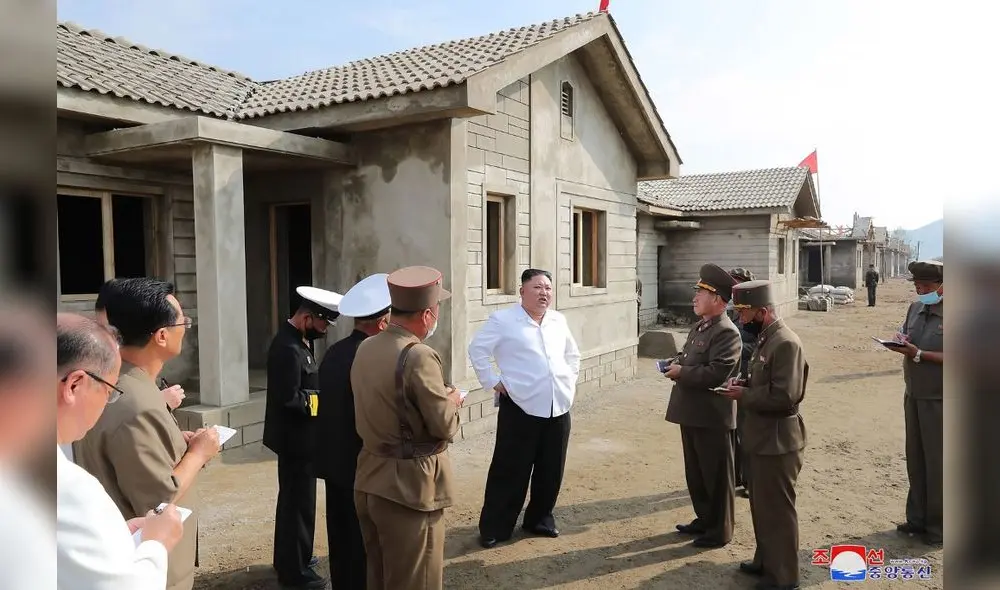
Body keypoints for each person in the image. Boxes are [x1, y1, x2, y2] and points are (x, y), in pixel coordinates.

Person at [73, 277, 220, 590]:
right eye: (183, 321)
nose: (186, 326)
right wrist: (199, 453)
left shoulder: (121, 381)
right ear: (162, 336)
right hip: (150, 565)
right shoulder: (137, 402)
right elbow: (158, 499)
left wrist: (176, 443)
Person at [351, 265, 463, 590]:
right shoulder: (419, 355)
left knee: (380, 577)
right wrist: (452, 401)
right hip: (410, 488)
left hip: (371, 476)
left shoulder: (366, 346)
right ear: (427, 315)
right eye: (436, 309)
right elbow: (444, 426)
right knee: (417, 581)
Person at [56, 312, 185, 589]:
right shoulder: (69, 488)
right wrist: (156, 544)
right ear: (75, 385)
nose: (108, 402)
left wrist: (112, 536)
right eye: (109, 391)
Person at [469, 268, 581, 549]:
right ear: (522, 291)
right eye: (537, 287)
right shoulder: (504, 320)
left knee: (551, 469)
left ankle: (540, 519)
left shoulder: (557, 320)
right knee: (510, 469)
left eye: (548, 288)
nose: (544, 293)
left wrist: (568, 381)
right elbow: (477, 349)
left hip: (558, 406)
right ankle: (495, 526)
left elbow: (572, 355)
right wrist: (493, 381)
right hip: (520, 406)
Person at [720, 279, 808, 590]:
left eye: (745, 313)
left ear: (763, 312)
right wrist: (744, 385)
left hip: (778, 439)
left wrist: (743, 396)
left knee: (777, 510)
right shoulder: (766, 338)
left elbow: (784, 396)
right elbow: (764, 381)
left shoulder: (785, 343)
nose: (741, 319)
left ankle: (783, 577)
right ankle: (766, 560)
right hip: (761, 436)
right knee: (761, 505)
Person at [316, 274, 392, 590]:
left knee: (341, 537)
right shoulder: (373, 357)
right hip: (364, 464)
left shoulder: (335, 352)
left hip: (335, 462)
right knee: (366, 542)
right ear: (383, 322)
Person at [264, 285, 342, 589]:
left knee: (295, 504)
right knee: (298, 506)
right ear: (308, 317)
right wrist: (324, 401)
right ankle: (295, 573)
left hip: (301, 439)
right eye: (323, 323)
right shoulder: (287, 347)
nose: (325, 330)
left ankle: (293, 558)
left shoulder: (298, 341)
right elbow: (289, 398)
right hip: (295, 441)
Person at [663, 264, 742, 548]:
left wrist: (682, 372)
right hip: (692, 411)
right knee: (696, 473)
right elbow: (690, 356)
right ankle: (705, 519)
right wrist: (676, 362)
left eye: (701, 293)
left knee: (716, 476)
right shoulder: (701, 326)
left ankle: (720, 531)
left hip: (712, 416)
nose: (694, 297)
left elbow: (717, 372)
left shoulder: (727, 332)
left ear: (717, 299)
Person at [886, 260, 944, 546]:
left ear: (943, 286)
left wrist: (919, 354)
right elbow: (907, 334)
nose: (921, 291)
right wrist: (901, 340)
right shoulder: (915, 308)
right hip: (915, 394)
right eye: (917, 286)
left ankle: (939, 527)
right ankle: (917, 518)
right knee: (916, 459)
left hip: (941, 399)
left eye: (926, 286)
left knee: (939, 464)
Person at [97, 278, 186, 415]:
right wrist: (158, 403)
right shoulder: (141, 406)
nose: (185, 329)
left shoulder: (128, 384)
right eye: (183, 323)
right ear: (162, 336)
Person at [728, 267, 757, 499]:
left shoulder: (756, 314)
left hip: (751, 378)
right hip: (736, 378)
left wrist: (735, 348)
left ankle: (749, 480)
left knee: (748, 433)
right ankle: (736, 476)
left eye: (737, 285)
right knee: (735, 430)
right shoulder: (733, 313)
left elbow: (760, 346)